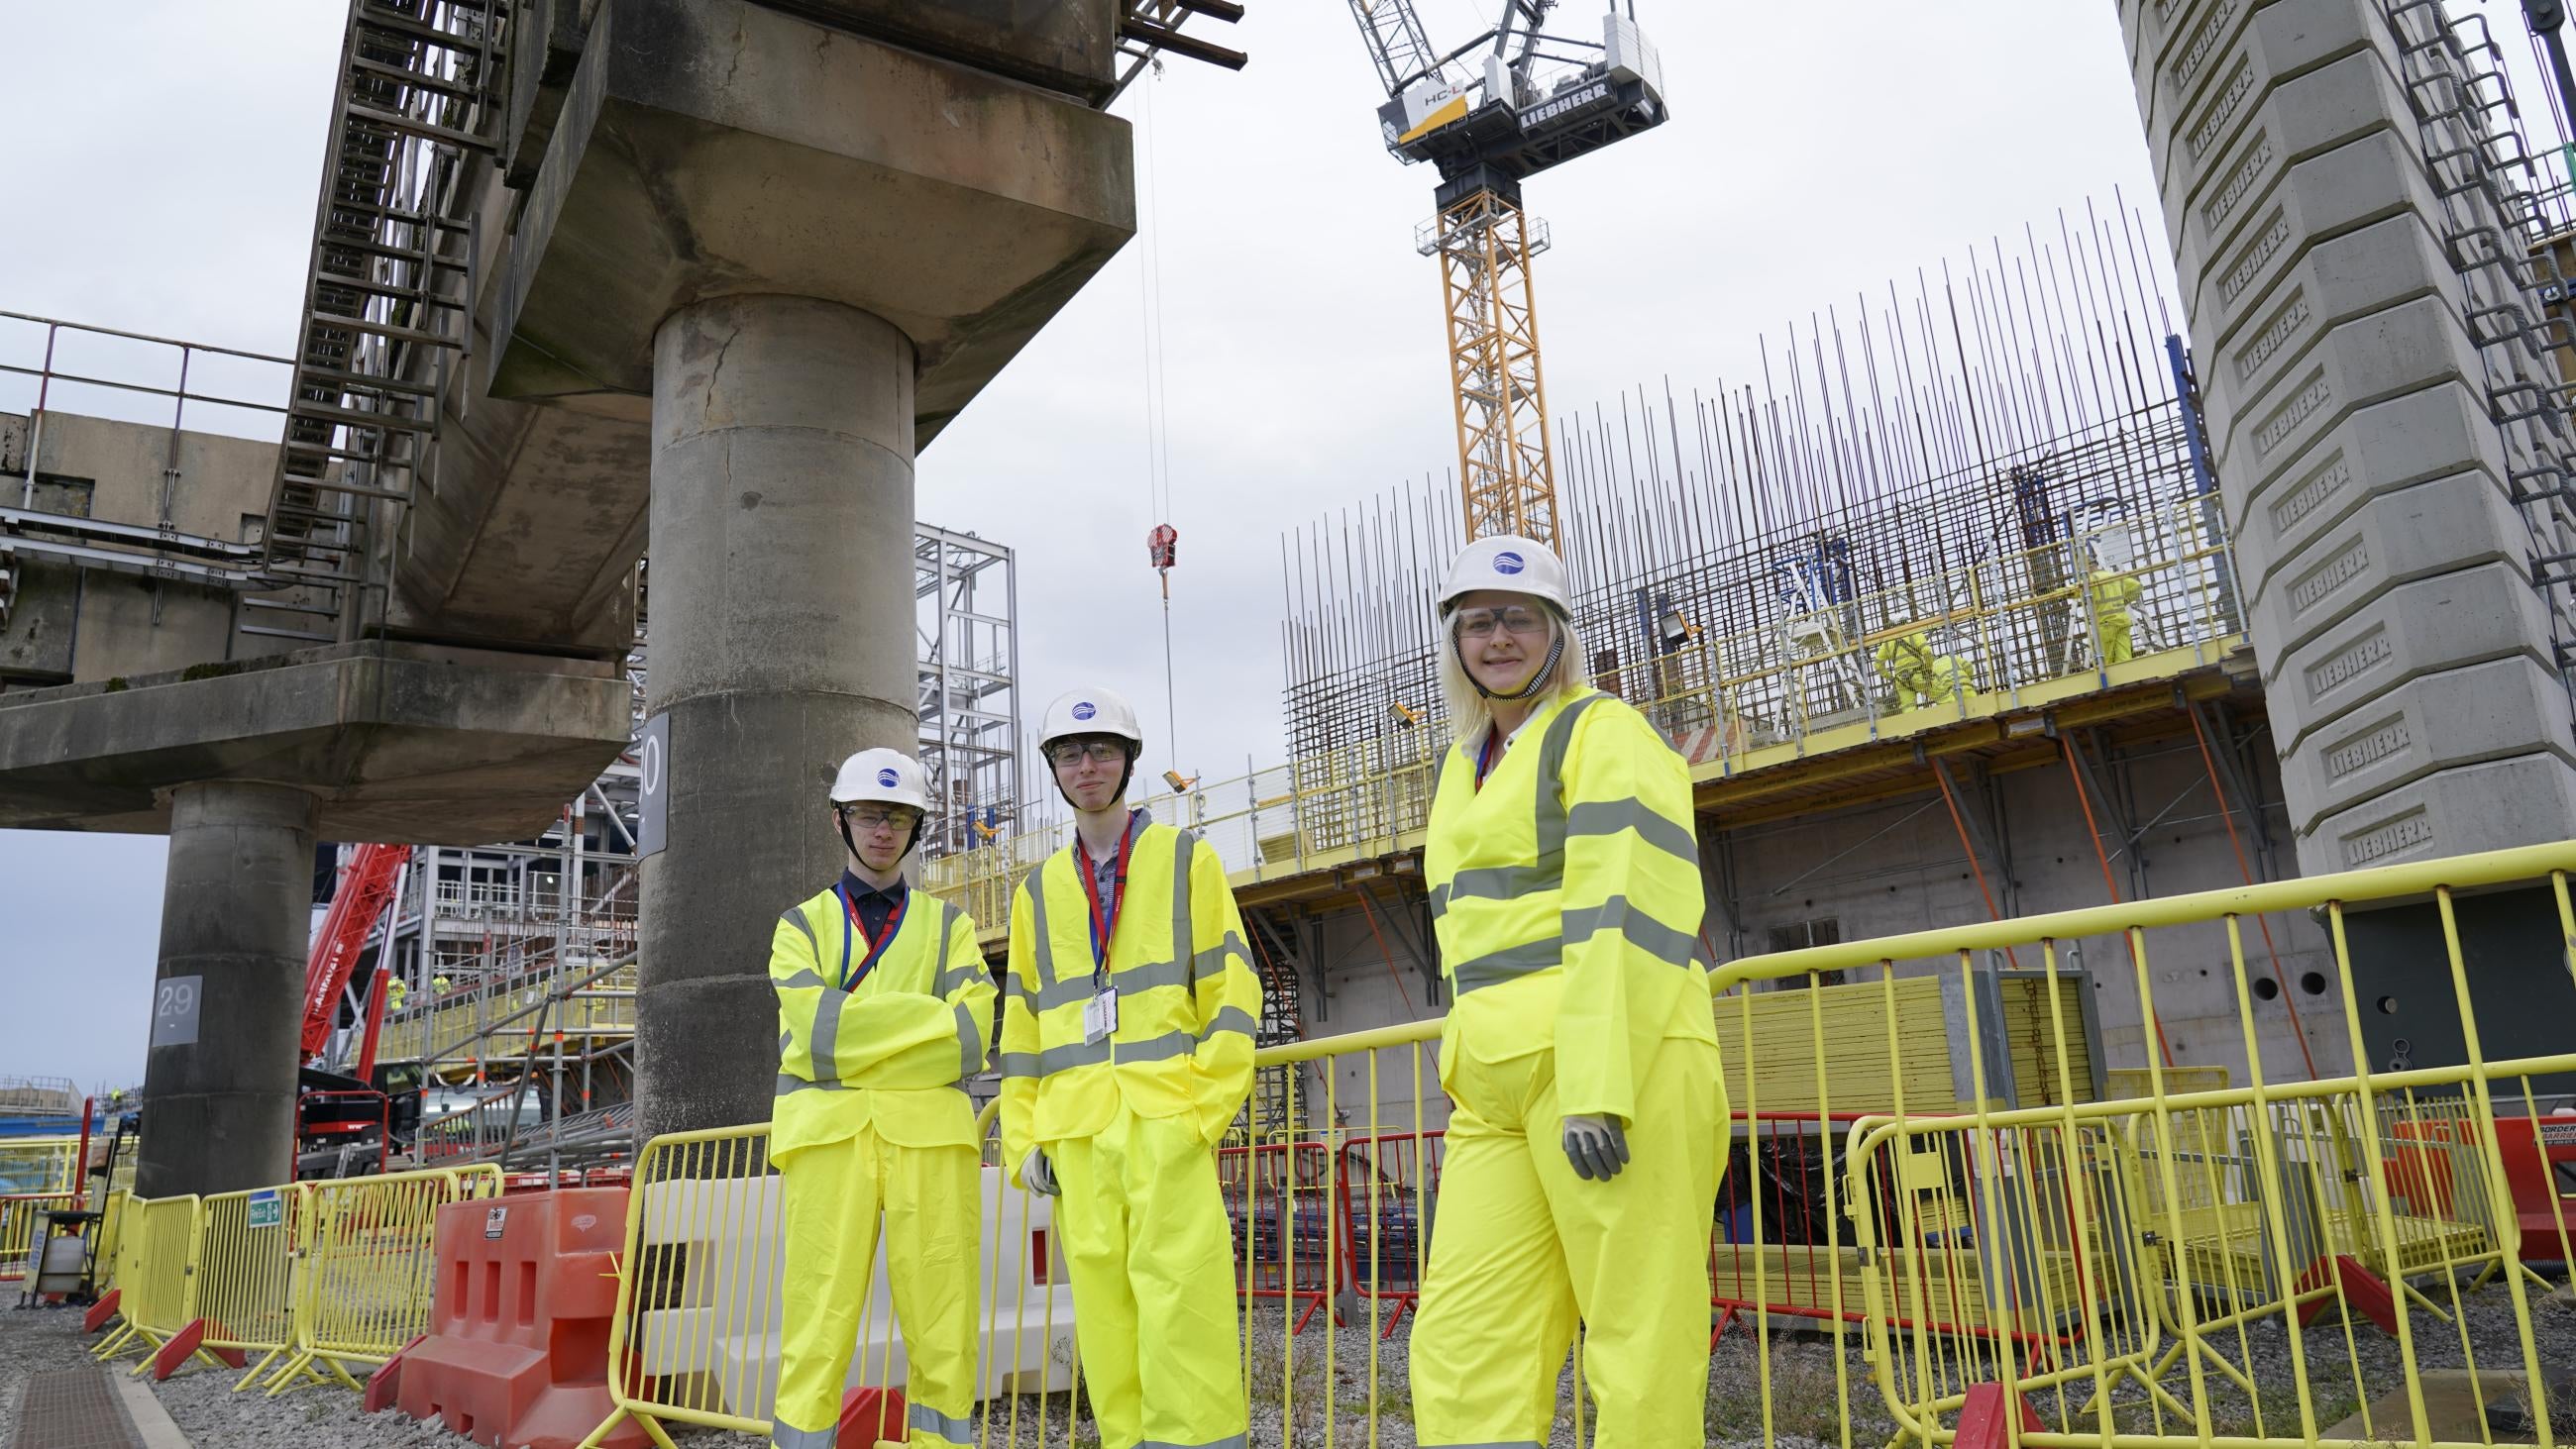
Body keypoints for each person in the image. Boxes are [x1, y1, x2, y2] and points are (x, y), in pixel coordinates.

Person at [1409, 535, 1727, 1449]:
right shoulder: (1461, 767)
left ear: (1557, 632)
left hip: (1615, 1068)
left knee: (1637, 1343)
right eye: (1477, 622)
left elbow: (1625, 909)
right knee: (1464, 1348)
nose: (1497, 637)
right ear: (1455, 643)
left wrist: (1597, 1081)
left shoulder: (1602, 732)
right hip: (1499, 1086)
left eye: (1517, 618)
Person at [998, 687, 1259, 1449]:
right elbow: (1020, 1032)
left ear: (1128, 761)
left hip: (1163, 1121)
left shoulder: (1187, 859)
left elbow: (1232, 996)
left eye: (1102, 750)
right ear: (1053, 768)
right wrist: (1025, 1144)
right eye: (1071, 754)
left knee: (1187, 1313)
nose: (1087, 766)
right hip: (1077, 1137)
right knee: (1108, 1325)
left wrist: (1200, 1113)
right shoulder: (1037, 891)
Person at [768, 748, 995, 1449]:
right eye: (869, 813)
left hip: (928, 1143)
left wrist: (857, 1033)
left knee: (944, 1329)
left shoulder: (949, 925)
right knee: (816, 1327)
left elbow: (969, 1034)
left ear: (917, 824)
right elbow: (819, 1032)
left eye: (898, 816)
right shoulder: (799, 926)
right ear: (841, 819)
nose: (883, 829)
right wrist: (917, 1028)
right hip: (833, 1143)